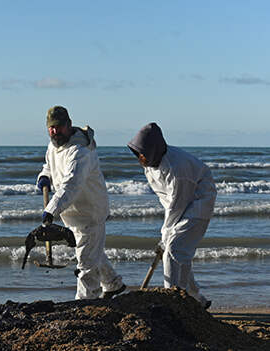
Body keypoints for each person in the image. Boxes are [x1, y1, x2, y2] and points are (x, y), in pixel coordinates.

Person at [37, 106, 125, 300]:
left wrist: (51, 209)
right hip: (72, 213)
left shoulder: (80, 151)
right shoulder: (54, 146)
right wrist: (44, 176)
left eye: (59, 127)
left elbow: (71, 185)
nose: (54, 131)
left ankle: (86, 302)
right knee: (91, 251)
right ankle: (112, 284)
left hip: (90, 212)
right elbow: (49, 166)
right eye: (51, 128)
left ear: (69, 125)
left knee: (85, 261)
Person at [127, 122, 216, 308]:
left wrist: (165, 236)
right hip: (180, 201)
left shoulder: (177, 170)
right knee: (179, 251)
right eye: (138, 152)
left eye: (143, 152)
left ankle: (174, 302)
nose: (140, 156)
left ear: (153, 149)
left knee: (174, 250)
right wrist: (166, 235)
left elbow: (177, 206)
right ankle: (196, 299)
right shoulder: (150, 161)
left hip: (199, 200)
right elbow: (168, 200)